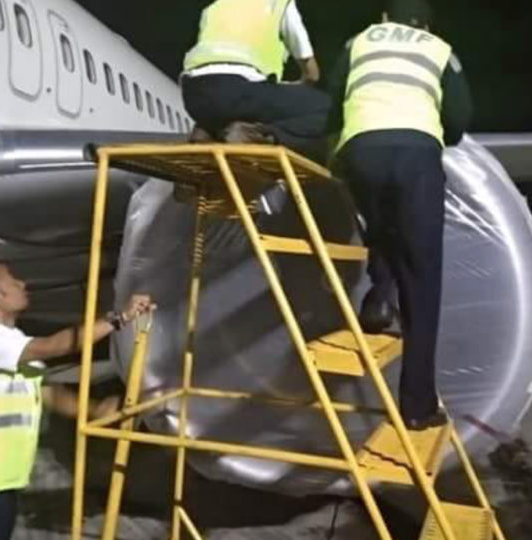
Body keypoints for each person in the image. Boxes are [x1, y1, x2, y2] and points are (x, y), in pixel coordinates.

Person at [326, 0, 472, 429]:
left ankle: (377, 296)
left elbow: (333, 104)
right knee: (423, 278)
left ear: (385, 18)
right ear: (425, 24)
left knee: (383, 227)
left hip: (360, 151)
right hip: (415, 154)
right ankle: (417, 406)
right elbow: (459, 121)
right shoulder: (440, 49)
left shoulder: (358, 41)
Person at [0, 263, 152, 540]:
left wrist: (96, 410)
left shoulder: (14, 343)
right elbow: (55, 346)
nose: (23, 284)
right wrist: (119, 318)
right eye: (13, 281)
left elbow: (48, 393)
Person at [181, 0, 331, 162]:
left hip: (194, 96)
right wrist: (301, 82)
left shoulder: (215, 7)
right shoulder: (277, 4)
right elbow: (310, 70)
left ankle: (207, 130)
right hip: (238, 90)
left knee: (251, 103)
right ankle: (254, 135)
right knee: (328, 110)